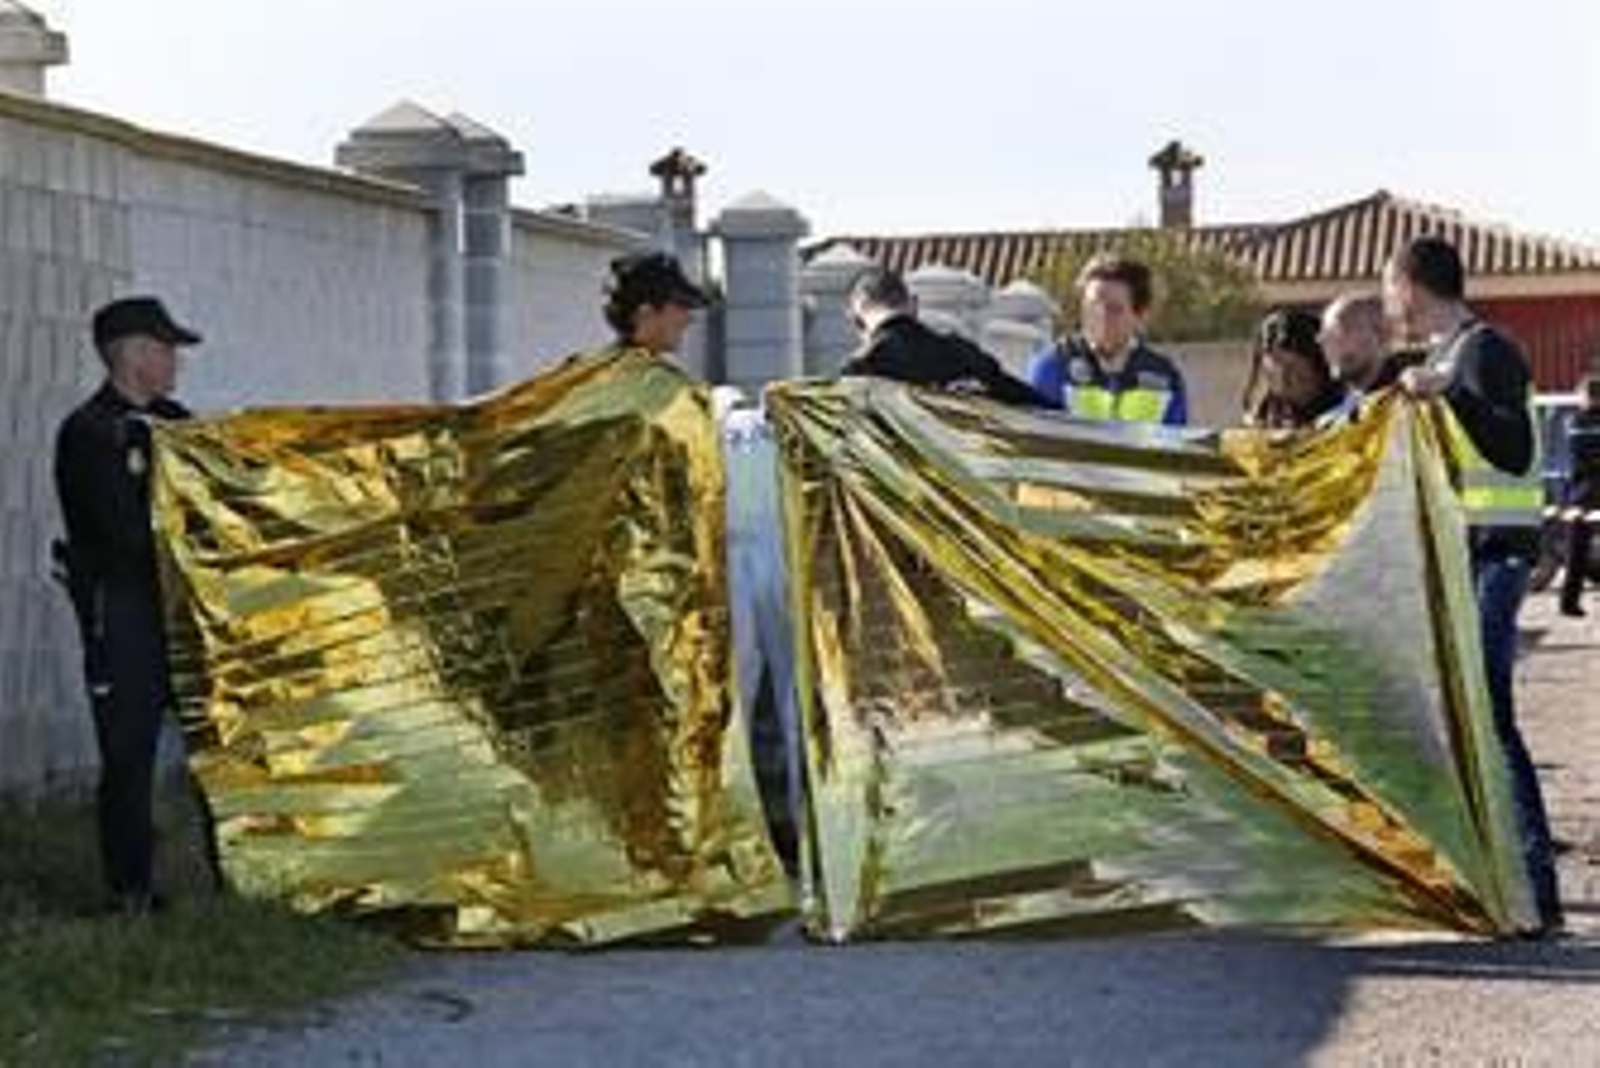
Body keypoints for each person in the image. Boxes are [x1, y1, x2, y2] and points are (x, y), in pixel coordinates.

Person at [1386, 235, 1562, 934]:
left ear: (1412, 285)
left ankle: (1537, 895)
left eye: (1389, 287)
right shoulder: (1440, 358)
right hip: (1467, 559)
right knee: (1471, 719)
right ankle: (1499, 884)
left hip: (1499, 557)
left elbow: (1512, 446)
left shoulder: (1482, 351)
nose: (1388, 301)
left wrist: (1447, 392)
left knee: (1491, 718)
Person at [53, 296, 206, 915]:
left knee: (213, 743)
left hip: (178, 611)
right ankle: (132, 892)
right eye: (166, 349)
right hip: (120, 611)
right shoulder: (89, 433)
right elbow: (121, 536)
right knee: (129, 753)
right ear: (134, 353)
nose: (176, 363)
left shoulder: (175, 422)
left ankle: (238, 875)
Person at [1027, 253, 1187, 425]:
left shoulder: (1164, 376)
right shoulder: (1054, 365)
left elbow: (1176, 442)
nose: (1101, 317)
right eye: (1092, 305)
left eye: (1114, 309)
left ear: (1139, 316)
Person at [840, 267, 1039, 404]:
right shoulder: (963, 352)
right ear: (913, 305)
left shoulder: (860, 368)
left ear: (857, 320)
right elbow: (1035, 404)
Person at [1240, 307, 1349, 429]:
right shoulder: (1262, 418)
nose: (1283, 377)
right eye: (1274, 366)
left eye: (1293, 368)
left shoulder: (1348, 413)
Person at [602, 250, 709, 357]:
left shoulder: (593, 367)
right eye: (681, 306)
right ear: (645, 314)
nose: (688, 319)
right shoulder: (655, 373)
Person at [1318, 291, 1422, 397]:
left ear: (1382, 334)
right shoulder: (1335, 406)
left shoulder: (1414, 399)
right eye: (1325, 335)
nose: (1326, 342)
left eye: (1337, 331)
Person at [1558, 374, 1600, 617]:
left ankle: (1568, 602)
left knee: (1577, 551)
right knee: (1577, 551)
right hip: (1589, 490)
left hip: (1580, 493)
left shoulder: (1574, 421)